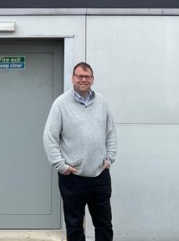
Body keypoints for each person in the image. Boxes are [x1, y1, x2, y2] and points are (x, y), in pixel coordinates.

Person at [43, 61, 117, 241]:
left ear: (92, 79)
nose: (83, 79)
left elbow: (111, 133)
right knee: (74, 227)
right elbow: (49, 137)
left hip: (100, 176)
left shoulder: (102, 102)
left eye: (87, 76)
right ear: (73, 78)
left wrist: (109, 158)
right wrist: (61, 166)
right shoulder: (60, 104)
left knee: (104, 225)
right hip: (72, 178)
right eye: (79, 76)